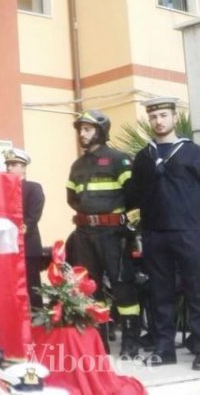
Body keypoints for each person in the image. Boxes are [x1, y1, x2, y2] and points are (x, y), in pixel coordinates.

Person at [127, 97, 200, 369]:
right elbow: (133, 195)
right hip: (155, 233)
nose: (158, 121)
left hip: (190, 230)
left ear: (173, 117)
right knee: (160, 292)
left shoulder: (193, 152)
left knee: (196, 290)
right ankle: (164, 348)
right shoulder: (144, 156)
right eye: (154, 116)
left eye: (163, 115)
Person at [66, 110, 140, 357]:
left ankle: (130, 343)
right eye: (81, 130)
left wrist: (120, 223)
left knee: (122, 285)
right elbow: (72, 198)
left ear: (101, 131)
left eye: (88, 129)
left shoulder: (119, 159)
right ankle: (99, 344)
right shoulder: (76, 165)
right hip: (85, 233)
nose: (82, 134)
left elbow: (133, 196)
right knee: (90, 287)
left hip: (114, 233)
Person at [4, 148, 45, 310]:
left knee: (32, 287)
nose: (8, 168)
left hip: (28, 245)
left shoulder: (33, 188)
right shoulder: (2, 190)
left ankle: (37, 320)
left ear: (23, 167)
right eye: (7, 165)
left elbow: (32, 217)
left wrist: (19, 232)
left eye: (13, 164)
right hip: (8, 246)